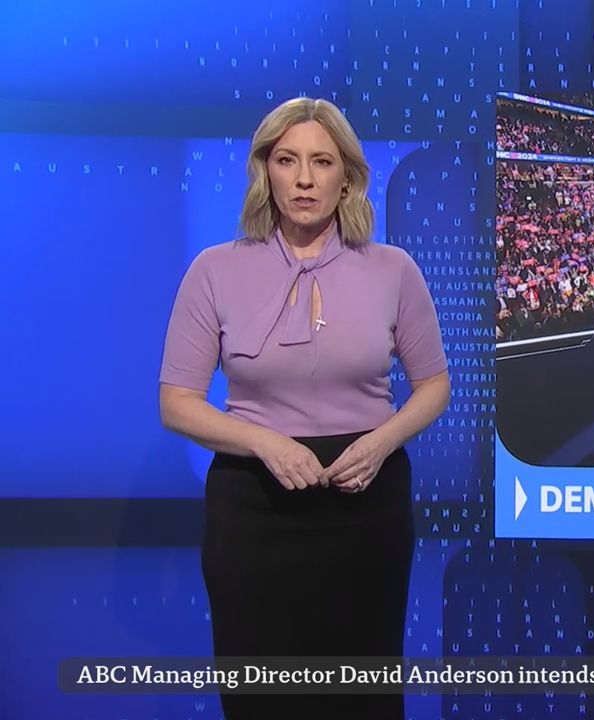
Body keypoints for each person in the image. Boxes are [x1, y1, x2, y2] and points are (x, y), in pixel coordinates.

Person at [158, 97, 451, 720]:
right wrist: (264, 442)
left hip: (365, 501)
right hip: (253, 506)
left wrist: (381, 441)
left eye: (322, 161)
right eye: (287, 160)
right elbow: (177, 403)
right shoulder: (214, 270)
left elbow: (434, 386)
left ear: (347, 176)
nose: (304, 179)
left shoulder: (394, 270)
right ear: (265, 171)